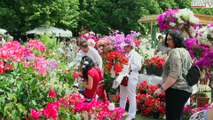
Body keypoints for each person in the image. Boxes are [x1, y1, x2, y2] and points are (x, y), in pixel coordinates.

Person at [154, 31, 192, 120]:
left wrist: (161, 89)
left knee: (172, 117)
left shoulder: (175, 52)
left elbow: (174, 75)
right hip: (184, 89)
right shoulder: (185, 51)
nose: (167, 42)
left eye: (170, 39)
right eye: (167, 39)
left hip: (176, 89)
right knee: (177, 116)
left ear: (176, 39)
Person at [119, 40, 143, 120]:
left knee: (131, 96)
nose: (124, 48)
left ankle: (131, 115)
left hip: (132, 77)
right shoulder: (126, 54)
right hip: (124, 77)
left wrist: (128, 67)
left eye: (125, 46)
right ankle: (120, 112)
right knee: (122, 95)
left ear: (129, 46)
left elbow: (138, 66)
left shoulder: (135, 55)